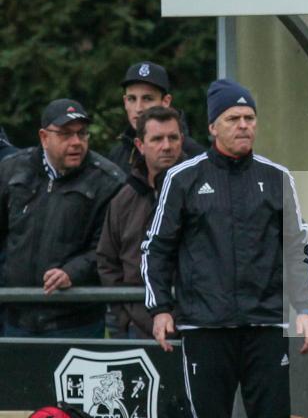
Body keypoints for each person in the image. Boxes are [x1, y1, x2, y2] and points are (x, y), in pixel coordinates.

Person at [142, 79, 308, 418]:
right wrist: (161, 308)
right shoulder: (184, 178)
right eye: (233, 120)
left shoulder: (276, 178)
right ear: (213, 126)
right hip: (205, 326)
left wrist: (305, 308)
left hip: (264, 324)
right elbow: (156, 248)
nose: (244, 126)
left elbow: (298, 247)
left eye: (249, 119)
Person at [0, 99, 124, 337]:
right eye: (66, 134)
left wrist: (72, 272)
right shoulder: (11, 170)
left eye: (82, 134)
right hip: (16, 317)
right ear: (44, 137)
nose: (76, 142)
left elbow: (108, 248)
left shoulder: (108, 181)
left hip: (76, 320)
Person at [97, 106, 186, 338]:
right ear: (140, 145)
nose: (166, 146)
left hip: (192, 324)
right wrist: (124, 316)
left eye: (173, 138)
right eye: (157, 139)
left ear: (182, 140)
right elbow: (107, 261)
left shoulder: (203, 191)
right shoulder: (122, 200)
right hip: (138, 327)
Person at [107, 61, 204, 174]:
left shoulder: (195, 155)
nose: (138, 108)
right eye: (132, 99)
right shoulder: (117, 155)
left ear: (166, 101)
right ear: (125, 102)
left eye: (147, 99)